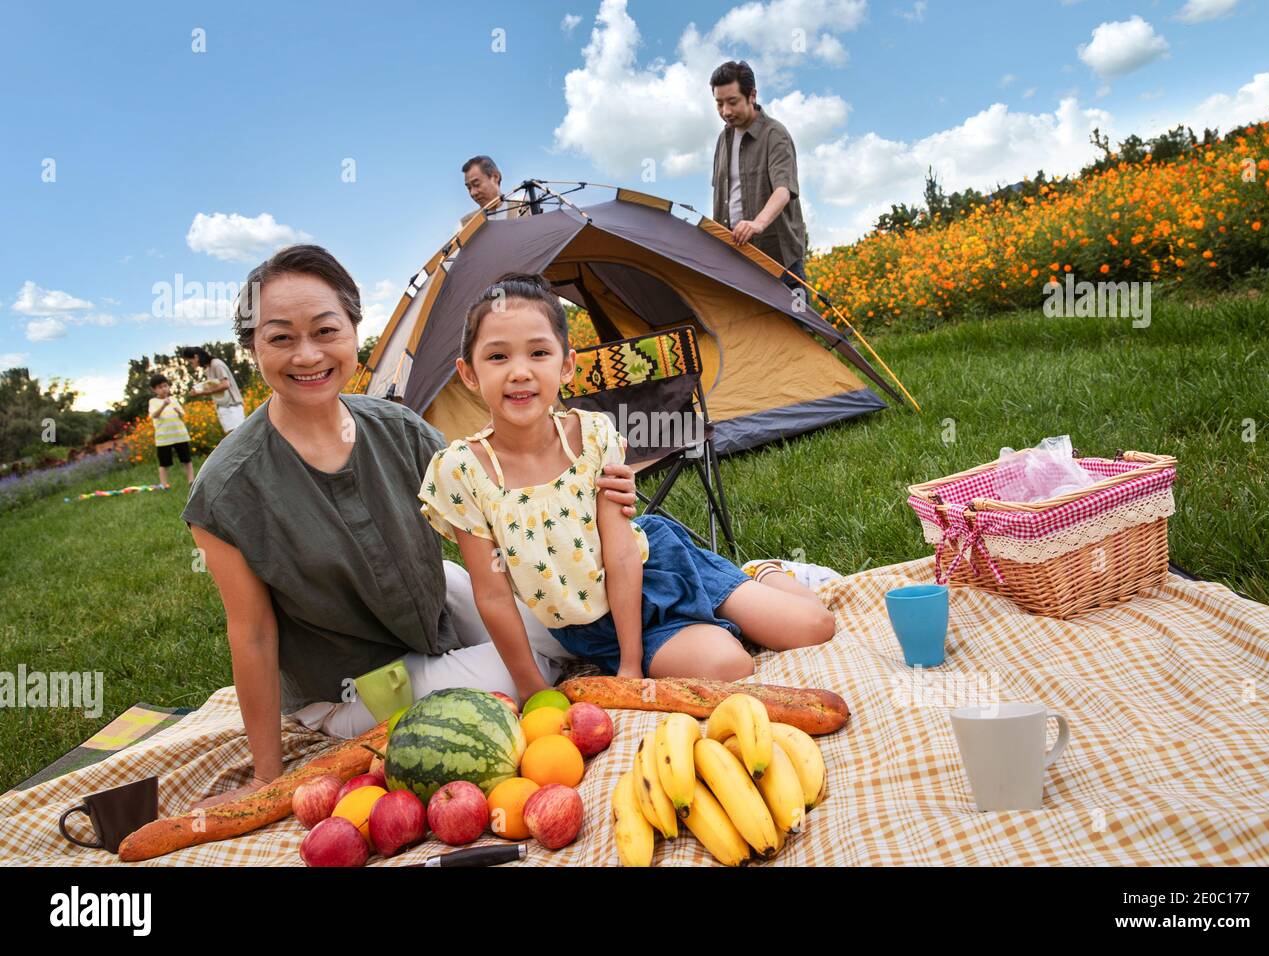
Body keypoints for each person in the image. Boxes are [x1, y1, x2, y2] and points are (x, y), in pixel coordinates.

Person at [180, 246, 640, 809]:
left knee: (579, 614)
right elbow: (251, 635)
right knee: (528, 671)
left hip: (433, 610)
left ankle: (748, 587)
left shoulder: (399, 429)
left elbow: (504, 513)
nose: (307, 354)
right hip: (354, 680)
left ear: (354, 330)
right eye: (280, 338)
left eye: (326, 330)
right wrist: (264, 778)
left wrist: (593, 491)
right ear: (252, 349)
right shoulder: (228, 489)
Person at [419, 274, 836, 700]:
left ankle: (759, 572)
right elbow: (491, 594)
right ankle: (713, 622)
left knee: (815, 627)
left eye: (539, 352)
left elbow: (620, 552)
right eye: (497, 357)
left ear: (565, 366)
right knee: (730, 665)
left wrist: (632, 664)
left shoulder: (594, 434)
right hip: (593, 623)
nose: (520, 372)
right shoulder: (461, 471)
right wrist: (530, 687)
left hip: (655, 564)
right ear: (468, 374)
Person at [709, 60, 810, 290]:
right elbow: (724, 196)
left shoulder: (775, 134)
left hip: (779, 259)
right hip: (738, 258)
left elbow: (783, 190)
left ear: (752, 95)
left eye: (732, 102)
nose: (726, 111)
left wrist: (757, 224)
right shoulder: (722, 140)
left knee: (793, 324)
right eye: (719, 103)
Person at [181, 347, 246, 434]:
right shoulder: (208, 369)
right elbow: (214, 386)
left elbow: (225, 384)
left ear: (196, 357)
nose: (191, 365)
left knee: (240, 436)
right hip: (223, 406)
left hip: (232, 406)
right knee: (233, 438)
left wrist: (201, 392)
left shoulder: (216, 364)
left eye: (190, 362)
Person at [148, 373, 193, 488]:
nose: (164, 389)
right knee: (164, 463)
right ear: (154, 390)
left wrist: (179, 411)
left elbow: (183, 414)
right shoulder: (153, 401)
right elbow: (154, 415)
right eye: (160, 387)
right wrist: (163, 405)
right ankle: (164, 484)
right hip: (164, 438)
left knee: (186, 460)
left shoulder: (173, 399)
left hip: (180, 435)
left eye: (165, 386)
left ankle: (191, 481)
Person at [459, 155, 526, 227]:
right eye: (469, 188)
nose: (473, 193)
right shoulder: (468, 223)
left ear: (495, 177)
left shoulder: (524, 210)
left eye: (476, 184)